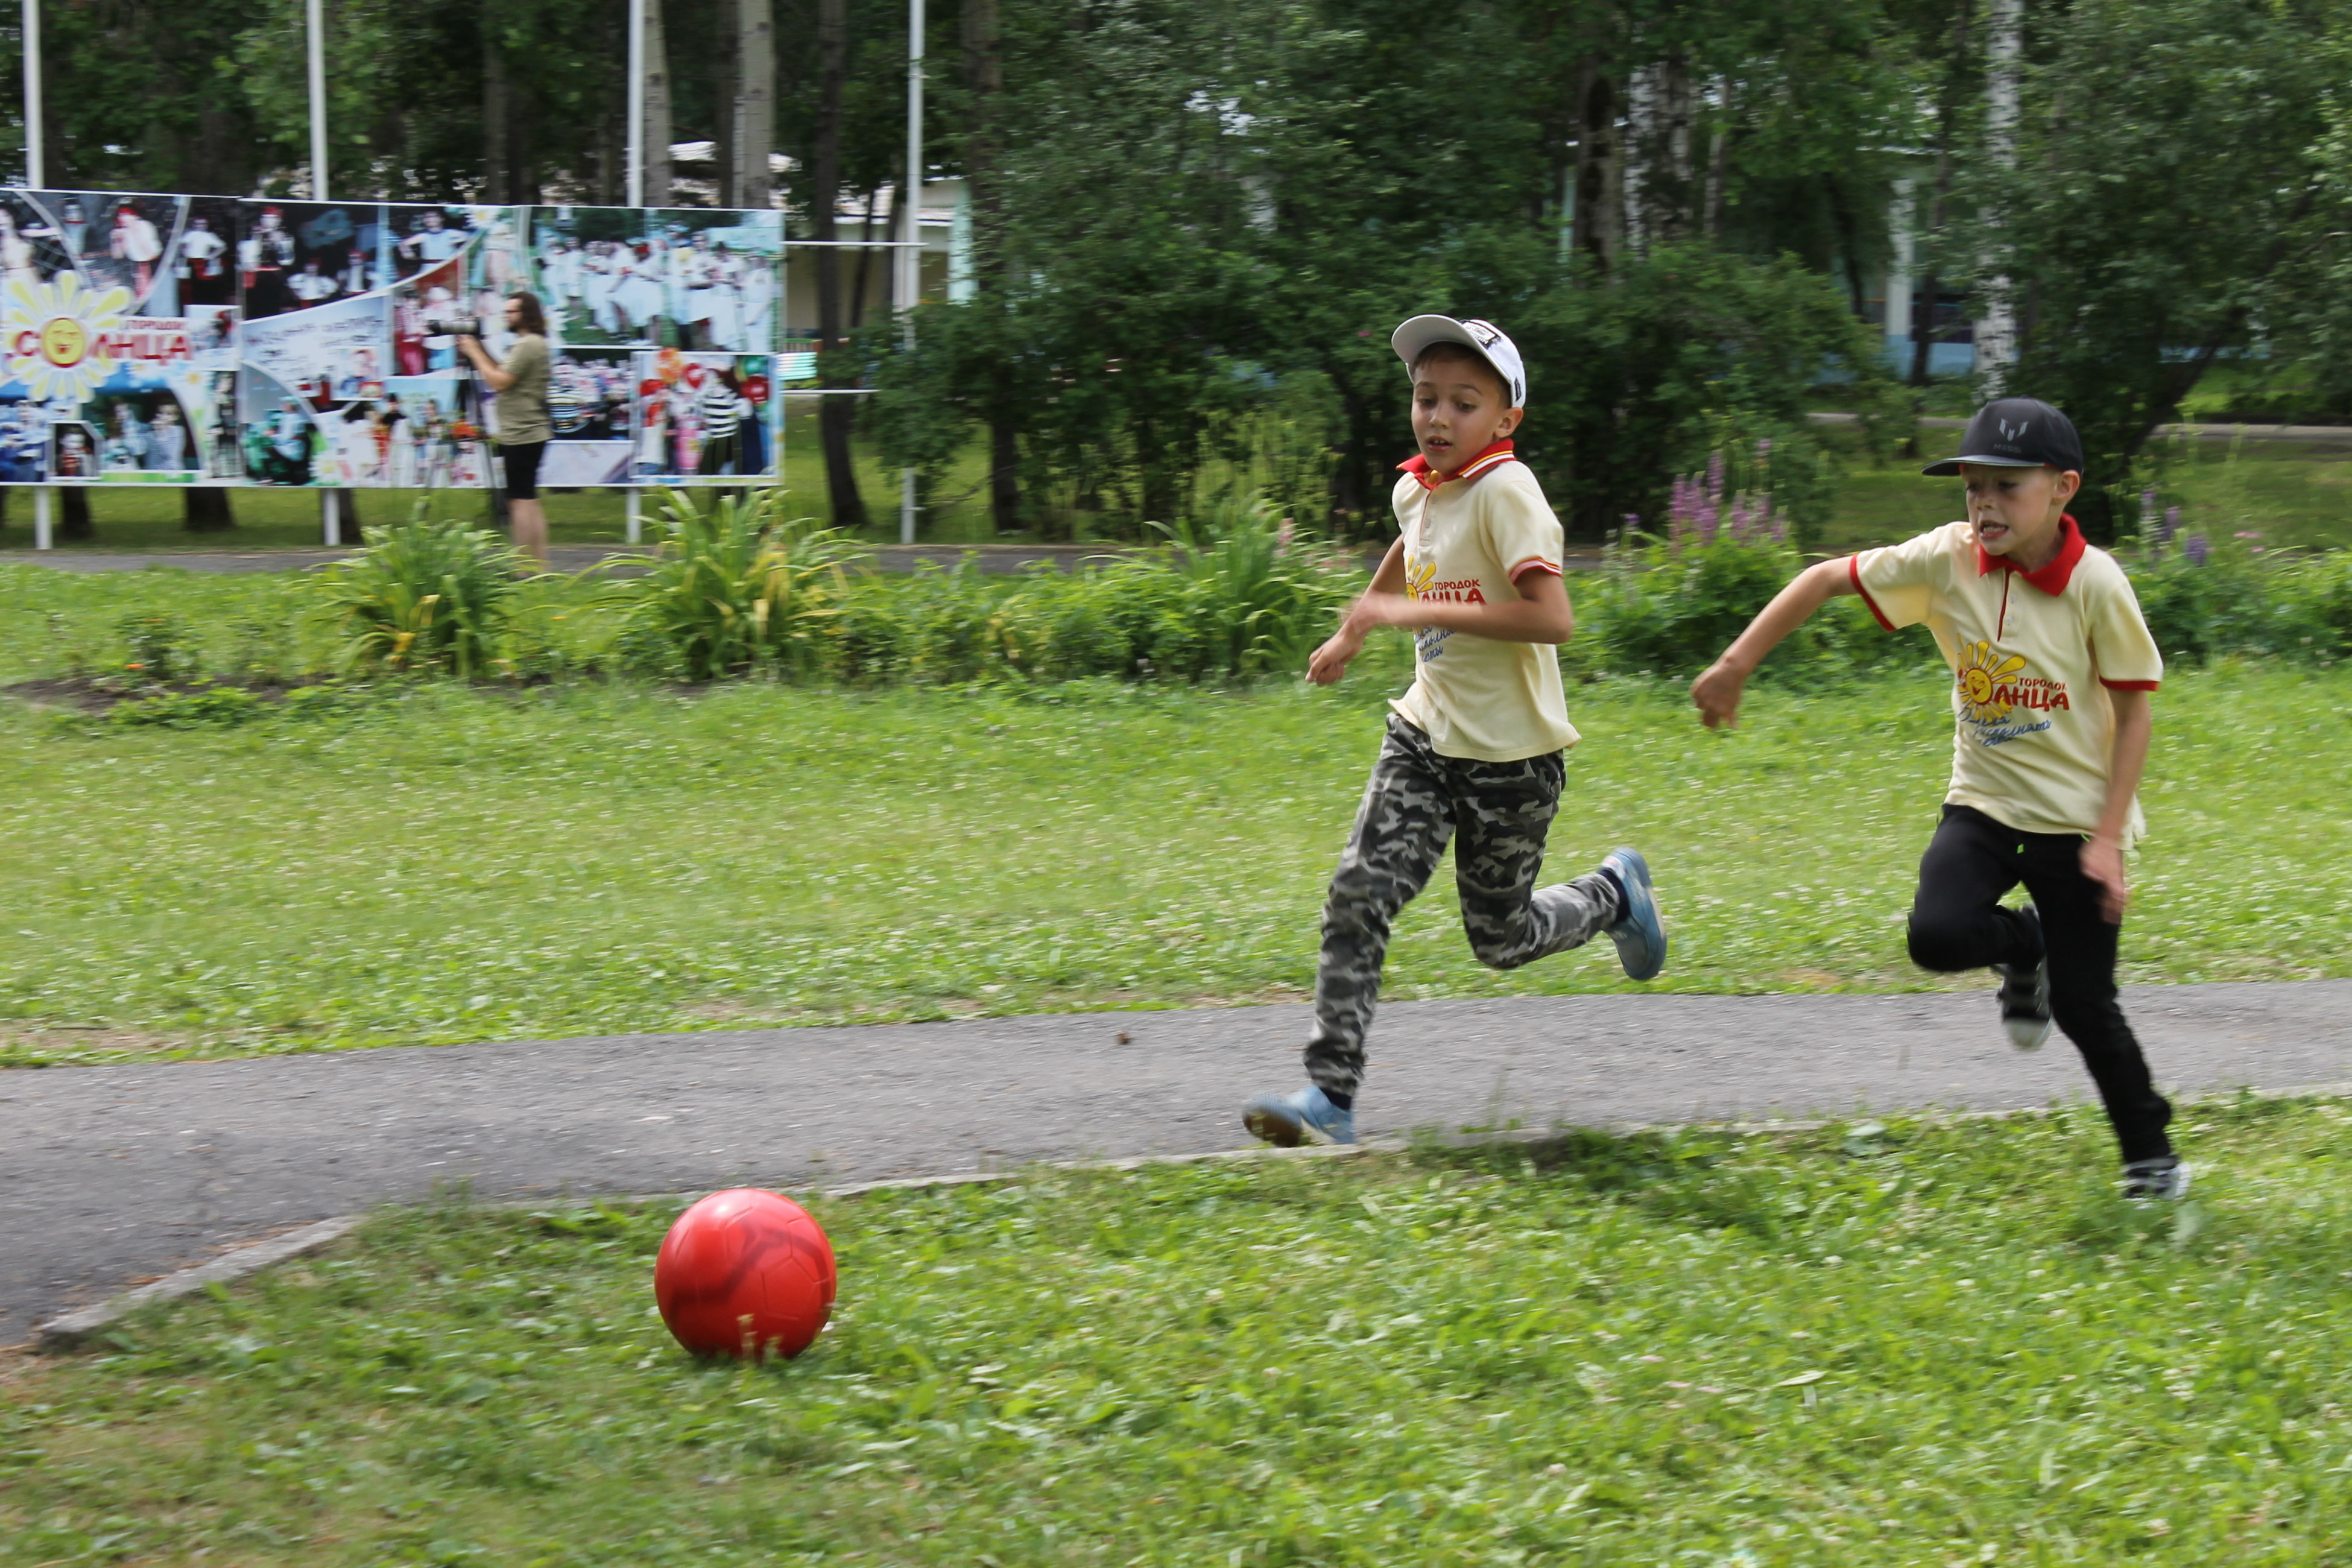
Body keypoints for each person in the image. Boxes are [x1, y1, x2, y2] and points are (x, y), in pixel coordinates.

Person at [1689, 397, 2184, 1201]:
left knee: (2090, 1008)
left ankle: (2152, 1158)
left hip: (2076, 824)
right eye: (1972, 488)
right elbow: (1823, 578)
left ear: (2063, 490)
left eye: (2006, 488)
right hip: (1984, 807)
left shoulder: (2096, 584)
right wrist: (1736, 663)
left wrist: (2107, 841)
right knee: (1936, 934)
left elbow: (2134, 712)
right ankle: (2026, 950)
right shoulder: (1946, 560)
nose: (1984, 506)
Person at [1240, 315, 1669, 1149]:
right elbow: (1411, 547)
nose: (1437, 417)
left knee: (1500, 941)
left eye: (1463, 404)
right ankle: (1331, 1098)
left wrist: (1411, 610)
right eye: (1425, 397)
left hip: (1512, 760)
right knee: (1358, 894)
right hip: (1424, 736)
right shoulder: (1419, 486)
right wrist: (1357, 629)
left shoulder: (1509, 493)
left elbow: (1554, 619)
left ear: (1505, 420)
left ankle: (1614, 894)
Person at [457, 290, 552, 564]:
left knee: (519, 501)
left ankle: (523, 568)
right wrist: (482, 350)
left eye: (512, 312)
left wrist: (474, 352)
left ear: (527, 315)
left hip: (522, 432)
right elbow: (504, 371)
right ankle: (539, 565)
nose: (507, 316)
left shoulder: (528, 345)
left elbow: (498, 382)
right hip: (528, 431)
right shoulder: (532, 343)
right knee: (528, 499)